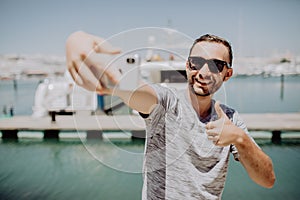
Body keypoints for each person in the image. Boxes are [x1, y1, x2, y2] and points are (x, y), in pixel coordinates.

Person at [66, 31, 275, 199]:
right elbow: (137, 92)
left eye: (215, 65)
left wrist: (241, 139)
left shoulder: (230, 119)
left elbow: (267, 180)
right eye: (196, 62)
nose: (203, 72)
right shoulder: (167, 103)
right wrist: (76, 40)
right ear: (187, 65)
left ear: (227, 74)